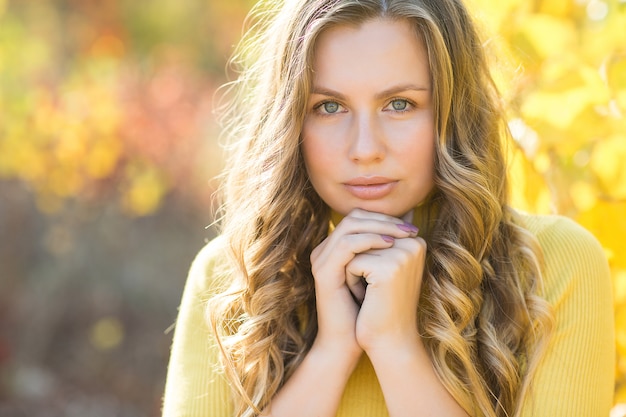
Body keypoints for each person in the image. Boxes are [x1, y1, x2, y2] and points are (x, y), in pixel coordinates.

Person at [161, 0, 615, 416]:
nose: (364, 149)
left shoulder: (554, 265)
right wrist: (332, 352)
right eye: (330, 107)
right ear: (291, 119)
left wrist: (396, 348)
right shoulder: (235, 279)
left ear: (453, 112)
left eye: (400, 104)